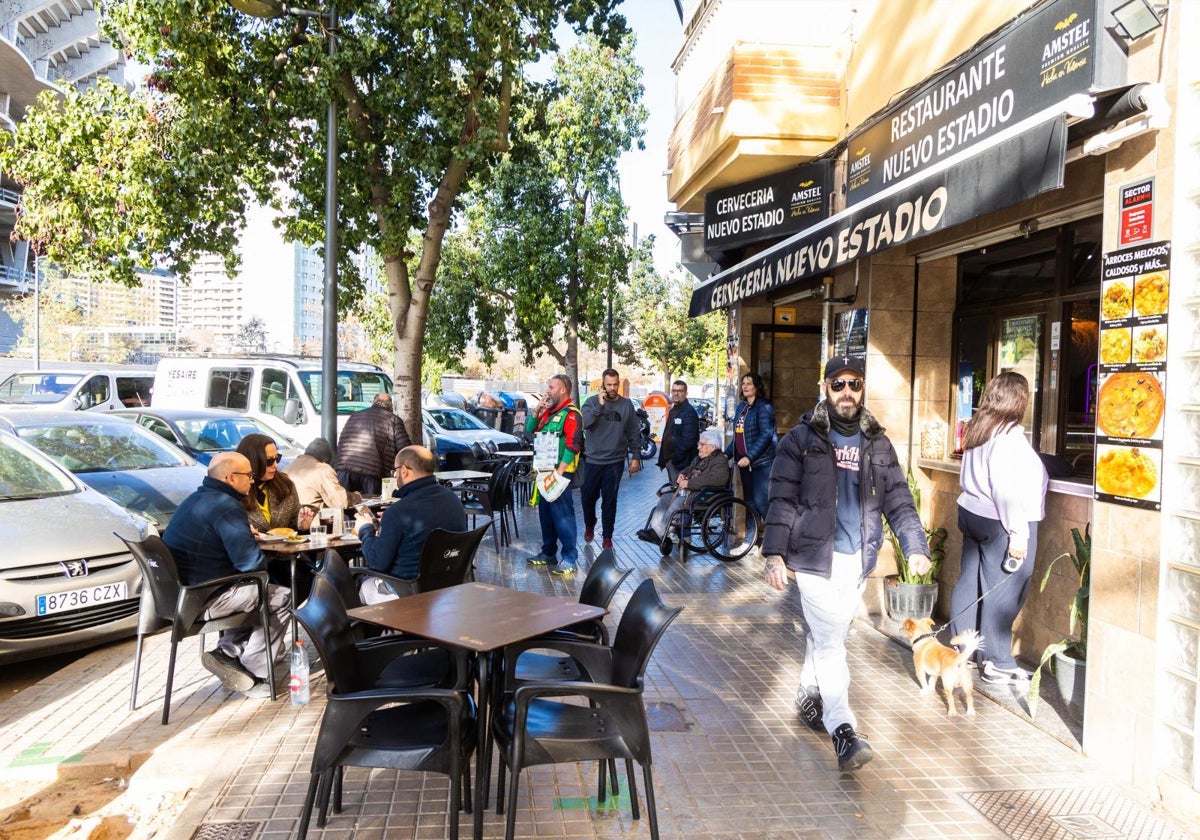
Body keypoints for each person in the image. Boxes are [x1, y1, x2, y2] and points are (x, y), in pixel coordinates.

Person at [762, 354, 930, 772]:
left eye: (855, 384)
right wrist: (774, 554)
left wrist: (915, 546)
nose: (847, 392)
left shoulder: (877, 441)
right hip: (814, 559)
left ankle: (806, 693)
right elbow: (781, 498)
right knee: (833, 644)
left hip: (857, 560)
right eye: (838, 384)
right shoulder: (800, 440)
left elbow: (898, 499)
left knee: (827, 635)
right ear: (825, 388)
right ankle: (843, 731)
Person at [162, 452, 291, 698]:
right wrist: (251, 545)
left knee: (259, 593)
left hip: (182, 596)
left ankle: (228, 652)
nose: (252, 481)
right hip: (205, 598)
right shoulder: (226, 506)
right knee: (280, 596)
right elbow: (251, 564)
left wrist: (240, 536)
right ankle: (252, 673)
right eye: (249, 476)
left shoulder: (197, 499)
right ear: (231, 478)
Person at [950, 371, 1048, 684]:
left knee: (970, 583)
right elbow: (1006, 490)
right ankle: (998, 662)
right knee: (1003, 591)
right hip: (1001, 521)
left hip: (972, 512)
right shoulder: (1008, 438)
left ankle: (962, 651)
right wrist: (1019, 535)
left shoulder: (979, 429)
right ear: (1020, 400)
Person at [354, 445, 468, 604]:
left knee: (352, 584)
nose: (395, 475)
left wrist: (364, 528)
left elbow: (376, 563)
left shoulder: (398, 512)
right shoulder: (453, 501)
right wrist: (388, 525)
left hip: (405, 593)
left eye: (395, 471)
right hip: (447, 591)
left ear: (404, 471)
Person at [525, 374, 584, 575]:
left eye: (551, 387)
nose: (547, 390)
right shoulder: (547, 412)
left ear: (562, 390)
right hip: (544, 471)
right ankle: (548, 553)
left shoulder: (572, 414)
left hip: (560, 473)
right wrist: (536, 412)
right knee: (546, 515)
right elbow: (529, 431)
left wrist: (559, 473)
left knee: (563, 516)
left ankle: (569, 558)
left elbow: (574, 444)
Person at [580, 368, 641, 549]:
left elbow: (633, 432)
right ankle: (590, 523)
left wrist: (635, 457)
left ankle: (607, 536)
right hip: (592, 460)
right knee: (587, 498)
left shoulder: (626, 405)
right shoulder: (591, 402)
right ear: (603, 384)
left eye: (615, 384)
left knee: (610, 501)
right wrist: (600, 405)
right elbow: (584, 423)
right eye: (609, 385)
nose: (613, 388)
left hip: (614, 462)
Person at [638, 428, 730, 543]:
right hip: (692, 493)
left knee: (678, 502)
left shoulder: (720, 460)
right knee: (665, 498)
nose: (698, 447)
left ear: (712, 447)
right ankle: (657, 531)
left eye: (702, 444)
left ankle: (659, 533)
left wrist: (689, 483)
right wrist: (682, 475)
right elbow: (687, 470)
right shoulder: (699, 459)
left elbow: (717, 480)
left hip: (706, 495)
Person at [335, 392, 412, 496]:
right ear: (391, 406)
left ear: (373, 402)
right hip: (373, 472)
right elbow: (404, 449)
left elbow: (341, 442)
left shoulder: (354, 416)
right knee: (372, 506)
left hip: (345, 469)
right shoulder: (393, 420)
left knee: (347, 506)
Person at [236, 434, 313, 535]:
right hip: (252, 549)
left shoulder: (285, 484)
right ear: (253, 461)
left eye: (277, 458)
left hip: (286, 549)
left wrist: (302, 527)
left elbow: (294, 527)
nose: (275, 465)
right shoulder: (236, 489)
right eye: (269, 461)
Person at [725, 372, 776, 524]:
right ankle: (751, 541)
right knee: (749, 503)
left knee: (761, 502)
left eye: (749, 383)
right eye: (743, 383)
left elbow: (766, 434)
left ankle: (774, 538)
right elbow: (738, 437)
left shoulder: (764, 407)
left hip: (761, 464)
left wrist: (749, 457)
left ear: (757, 386)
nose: (745, 386)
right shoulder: (742, 407)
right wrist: (725, 455)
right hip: (744, 464)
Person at [284, 437, 360, 512]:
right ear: (326, 459)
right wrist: (356, 497)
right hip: (312, 520)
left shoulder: (287, 468)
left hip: (290, 520)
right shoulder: (322, 469)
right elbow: (341, 501)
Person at [656, 380, 699, 484]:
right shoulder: (673, 410)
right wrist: (663, 460)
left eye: (680, 391)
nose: (676, 393)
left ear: (686, 393)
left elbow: (689, 440)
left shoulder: (689, 412)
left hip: (681, 464)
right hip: (671, 461)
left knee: (679, 493)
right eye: (674, 390)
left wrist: (675, 458)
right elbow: (667, 434)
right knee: (673, 490)